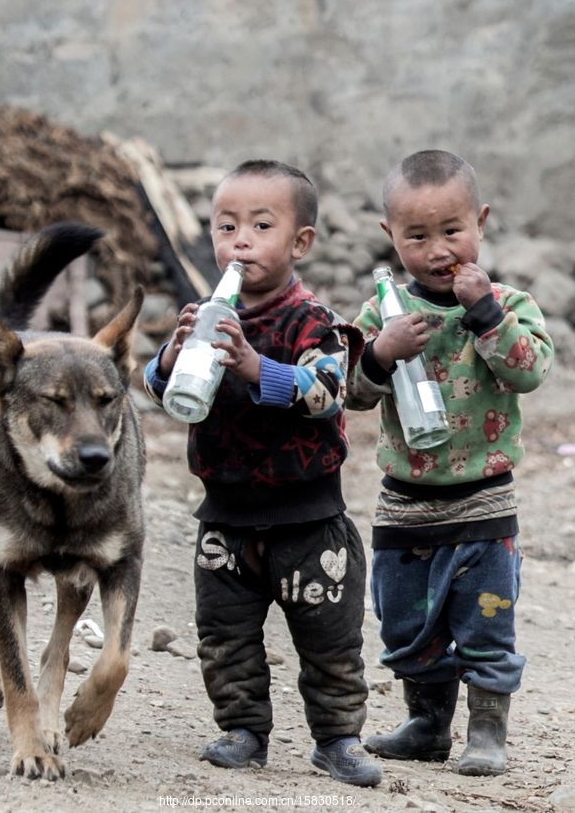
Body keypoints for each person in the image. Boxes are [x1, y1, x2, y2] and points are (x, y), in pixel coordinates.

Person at [144, 159, 382, 788]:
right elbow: (157, 388)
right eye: (226, 227)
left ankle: (337, 739)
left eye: (260, 226)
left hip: (308, 520)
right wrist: (173, 355)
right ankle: (243, 729)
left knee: (330, 641)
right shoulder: (208, 315)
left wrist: (255, 367)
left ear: (300, 242)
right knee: (224, 635)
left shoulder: (313, 320)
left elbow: (328, 390)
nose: (240, 241)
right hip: (225, 516)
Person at [347, 150, 554, 776]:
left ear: (481, 222)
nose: (438, 250)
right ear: (390, 236)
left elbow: (531, 371)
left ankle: (488, 729)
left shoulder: (509, 302)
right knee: (405, 621)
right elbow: (352, 394)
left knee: (487, 619)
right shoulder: (382, 313)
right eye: (417, 236)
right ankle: (427, 723)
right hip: (405, 500)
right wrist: (381, 353)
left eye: (452, 231)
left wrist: (486, 313)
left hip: (484, 500)